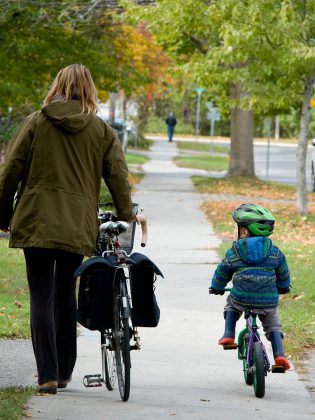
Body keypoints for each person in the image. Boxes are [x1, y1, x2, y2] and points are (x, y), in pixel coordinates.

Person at [0, 64, 134, 394]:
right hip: (77, 224)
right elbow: (117, 175)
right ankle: (64, 372)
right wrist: (126, 213)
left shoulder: (36, 122)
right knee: (65, 294)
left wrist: (3, 214)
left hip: (36, 219)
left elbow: (11, 170)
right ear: (89, 90)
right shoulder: (101, 130)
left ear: (58, 86)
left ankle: (46, 374)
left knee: (41, 295)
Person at [209, 203, 291, 370]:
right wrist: (283, 287)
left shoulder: (235, 252)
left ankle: (228, 335)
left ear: (244, 232)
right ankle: (280, 355)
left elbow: (223, 271)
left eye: (237, 228)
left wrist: (216, 286)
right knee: (273, 326)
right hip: (267, 301)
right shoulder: (275, 252)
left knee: (231, 304)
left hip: (241, 298)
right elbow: (283, 273)